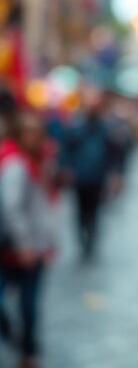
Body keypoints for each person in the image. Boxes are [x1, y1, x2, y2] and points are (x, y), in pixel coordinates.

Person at [0, 110, 55, 368]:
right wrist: (25, 245)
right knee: (25, 304)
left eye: (37, 132)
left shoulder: (35, 160)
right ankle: (24, 346)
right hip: (21, 247)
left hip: (34, 243)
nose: (34, 137)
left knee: (29, 304)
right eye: (29, 132)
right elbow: (13, 208)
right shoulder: (16, 164)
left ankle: (28, 348)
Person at [60, 87, 116, 260]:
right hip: (80, 176)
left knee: (94, 211)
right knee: (80, 210)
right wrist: (66, 168)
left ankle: (91, 239)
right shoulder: (75, 127)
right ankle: (84, 240)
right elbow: (66, 150)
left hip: (97, 176)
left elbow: (112, 152)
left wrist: (114, 174)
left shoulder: (105, 127)